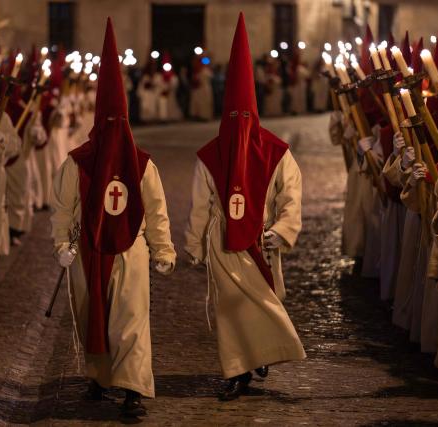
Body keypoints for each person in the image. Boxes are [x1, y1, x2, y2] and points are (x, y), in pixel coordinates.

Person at [50, 18, 176, 417]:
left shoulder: (141, 165)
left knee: (131, 320)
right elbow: (64, 208)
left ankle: (134, 388)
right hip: (88, 251)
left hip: (130, 251)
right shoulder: (78, 163)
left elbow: (156, 209)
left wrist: (163, 249)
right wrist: (60, 245)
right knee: (93, 316)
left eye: (118, 124)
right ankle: (99, 377)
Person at [184, 13, 305, 401]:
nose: (239, 125)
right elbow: (200, 204)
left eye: (245, 118)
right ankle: (238, 370)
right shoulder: (209, 156)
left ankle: (261, 353)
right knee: (230, 310)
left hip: (262, 241)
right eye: (232, 118)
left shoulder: (276, 153)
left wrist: (281, 232)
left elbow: (291, 196)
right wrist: (193, 244)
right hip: (223, 242)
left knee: (264, 304)